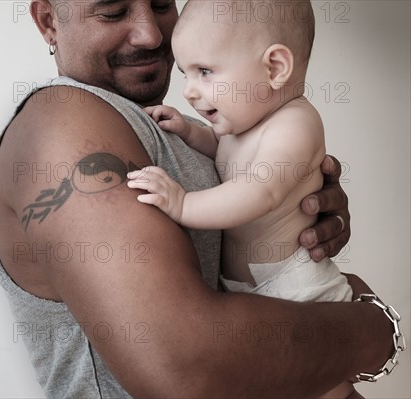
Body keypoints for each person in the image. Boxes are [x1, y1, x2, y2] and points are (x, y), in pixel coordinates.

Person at [0, 0, 400, 397]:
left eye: (162, 4)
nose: (150, 33)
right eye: (113, 11)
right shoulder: (63, 120)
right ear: (49, 21)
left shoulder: (165, 126)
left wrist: (293, 216)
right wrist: (373, 329)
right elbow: (187, 369)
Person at [126, 1, 356, 397]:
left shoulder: (296, 125)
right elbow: (222, 149)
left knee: (325, 389)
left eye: (205, 71)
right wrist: (189, 131)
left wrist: (182, 205)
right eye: (186, 74)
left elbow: (259, 191)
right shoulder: (243, 124)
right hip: (248, 291)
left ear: (274, 69)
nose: (190, 91)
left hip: (296, 288)